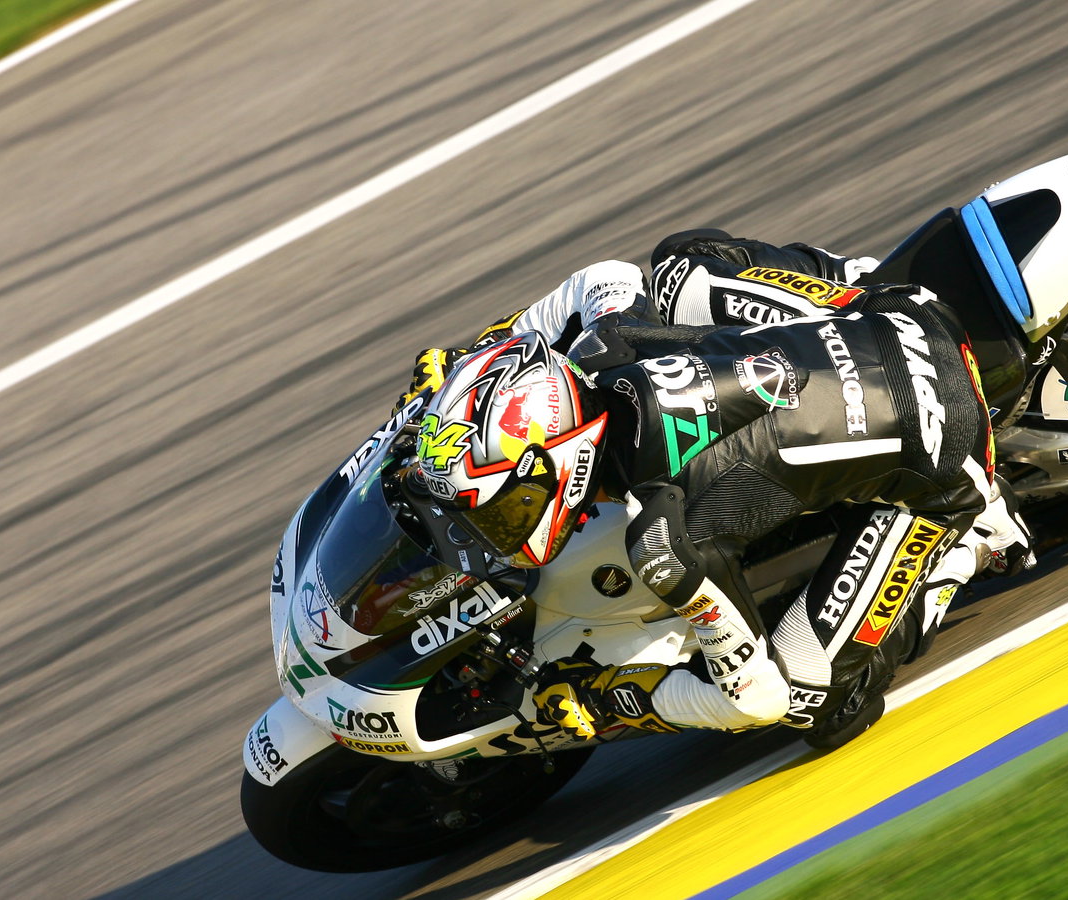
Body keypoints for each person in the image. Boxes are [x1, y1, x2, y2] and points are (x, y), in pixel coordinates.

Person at [402, 232, 1035, 744]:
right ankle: (853, 281)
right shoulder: (606, 348)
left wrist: (611, 697)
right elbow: (603, 278)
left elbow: (754, 700)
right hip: (893, 307)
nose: (495, 533)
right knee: (678, 268)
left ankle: (974, 538)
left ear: (560, 466)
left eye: (507, 513)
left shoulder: (662, 544)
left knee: (812, 699)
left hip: (944, 447)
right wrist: (480, 351)